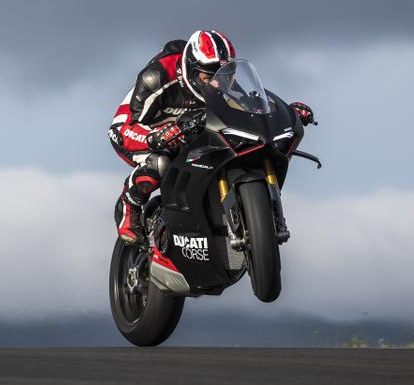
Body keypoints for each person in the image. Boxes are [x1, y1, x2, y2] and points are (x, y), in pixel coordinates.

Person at [108, 30, 315, 243]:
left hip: (189, 126)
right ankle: (129, 206)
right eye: (209, 78)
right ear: (191, 70)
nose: (216, 84)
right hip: (134, 129)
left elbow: (248, 107)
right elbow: (130, 125)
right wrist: (157, 136)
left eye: (223, 77)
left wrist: (284, 113)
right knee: (160, 162)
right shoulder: (156, 77)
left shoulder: (221, 80)